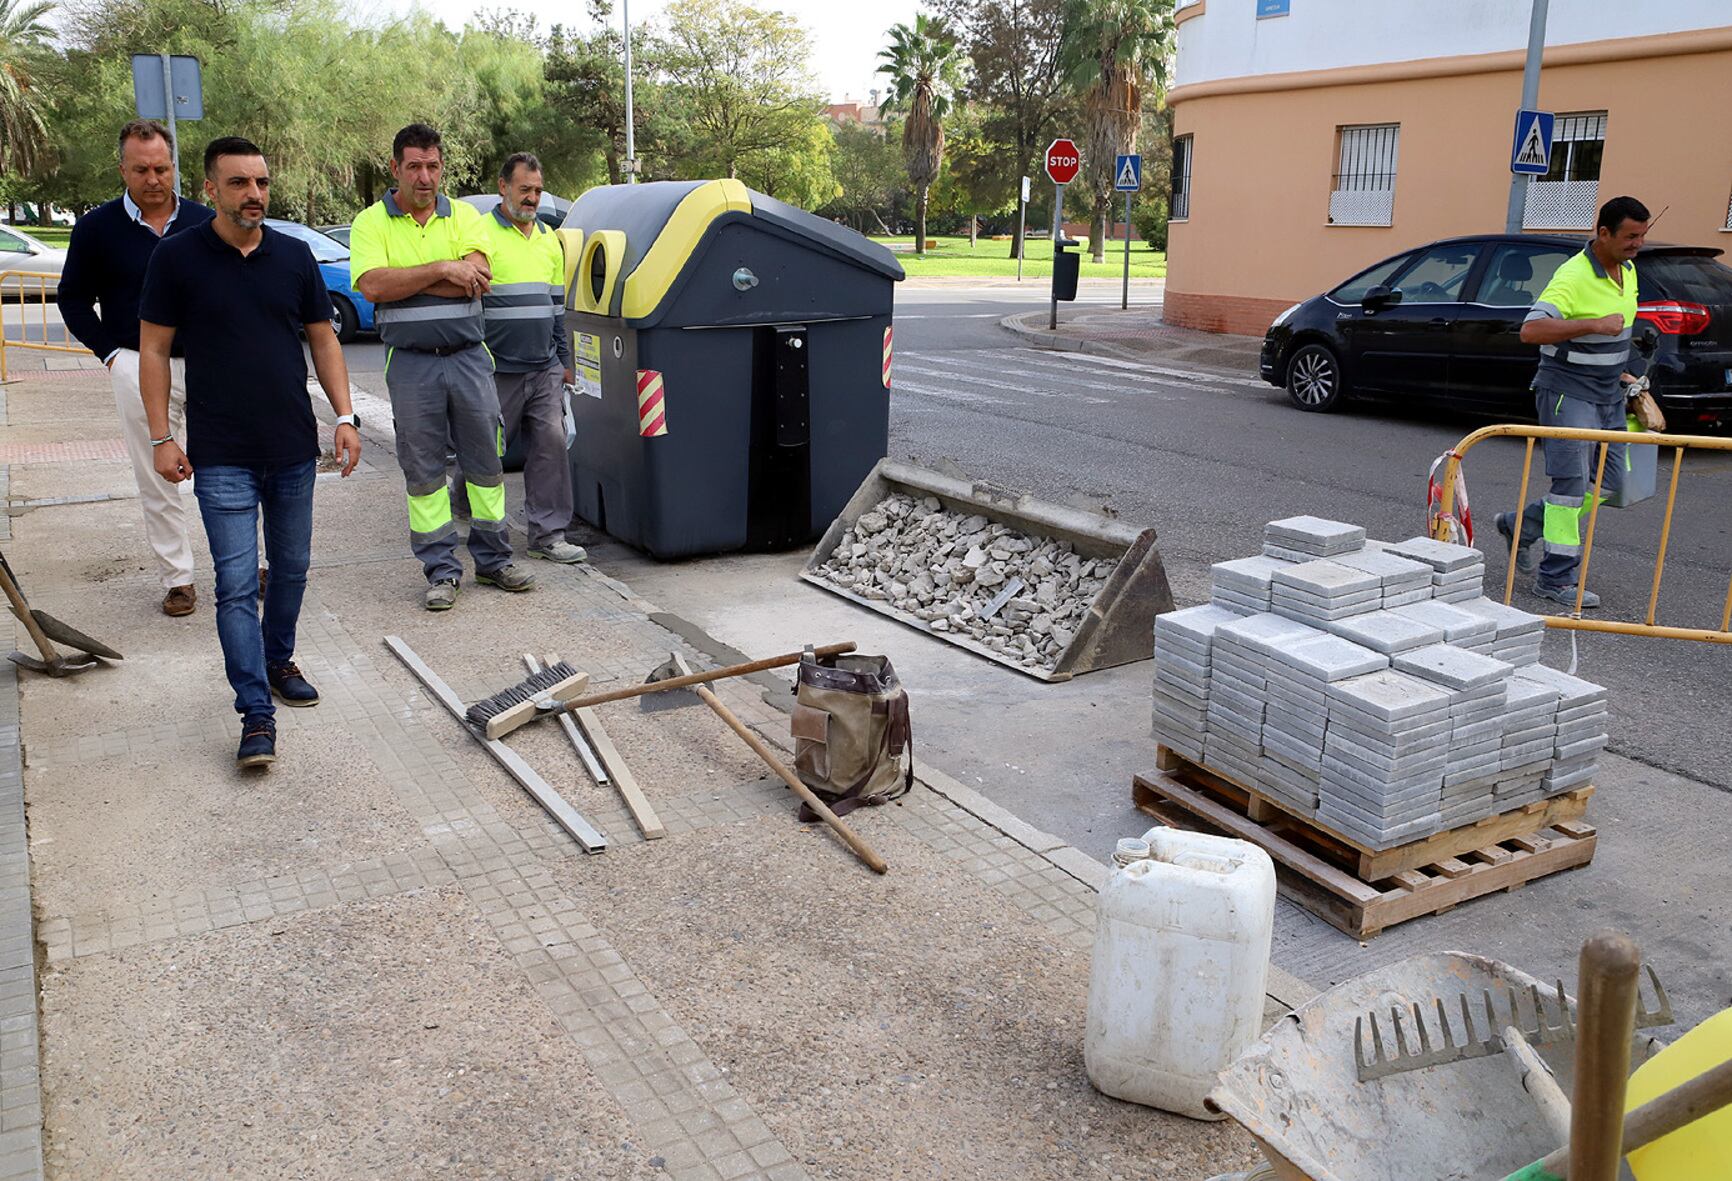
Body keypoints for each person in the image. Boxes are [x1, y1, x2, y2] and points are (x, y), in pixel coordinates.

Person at [138, 136, 362, 769]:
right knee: (236, 586)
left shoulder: (294, 257)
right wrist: (162, 437)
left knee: (291, 569)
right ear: (211, 189)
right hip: (221, 454)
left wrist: (344, 417)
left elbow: (324, 340)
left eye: (261, 183)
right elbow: (153, 351)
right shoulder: (177, 258)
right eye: (239, 183)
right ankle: (255, 712)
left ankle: (277, 656)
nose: (254, 195)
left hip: (293, 447)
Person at [349, 123, 534, 611]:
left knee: (486, 465)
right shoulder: (371, 222)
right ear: (396, 169)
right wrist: (443, 269)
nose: (425, 177)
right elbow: (372, 287)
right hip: (411, 366)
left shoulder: (465, 217)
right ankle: (441, 570)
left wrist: (411, 279)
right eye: (414, 166)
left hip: (470, 359)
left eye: (433, 166)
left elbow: (479, 278)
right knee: (424, 470)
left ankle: (493, 562)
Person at [58, 119, 214, 617]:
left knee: (230, 467)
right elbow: (73, 299)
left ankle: (244, 563)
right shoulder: (96, 229)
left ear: (174, 168)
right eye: (141, 169)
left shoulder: (206, 222)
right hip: (136, 365)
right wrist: (111, 356)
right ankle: (179, 579)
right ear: (123, 169)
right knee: (157, 474)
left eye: (162, 168)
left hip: (211, 366)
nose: (153, 179)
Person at [1497, 195, 1650, 608]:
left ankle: (1521, 525)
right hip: (1568, 391)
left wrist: (1627, 373)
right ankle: (1555, 578)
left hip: (1608, 394)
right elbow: (1531, 331)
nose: (1638, 243)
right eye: (1630, 236)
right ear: (1603, 233)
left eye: (1642, 235)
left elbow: (1622, 333)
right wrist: (1593, 324)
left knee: (1611, 483)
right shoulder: (1573, 274)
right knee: (1570, 488)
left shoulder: (1628, 270)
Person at [474, 152, 586, 565]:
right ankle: (463, 501)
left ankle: (548, 534)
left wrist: (564, 360)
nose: (533, 198)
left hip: (544, 369)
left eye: (538, 191)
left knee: (550, 448)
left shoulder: (547, 241)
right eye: (525, 189)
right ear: (503, 187)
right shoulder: (479, 233)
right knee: (484, 449)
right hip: (495, 368)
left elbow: (558, 310)